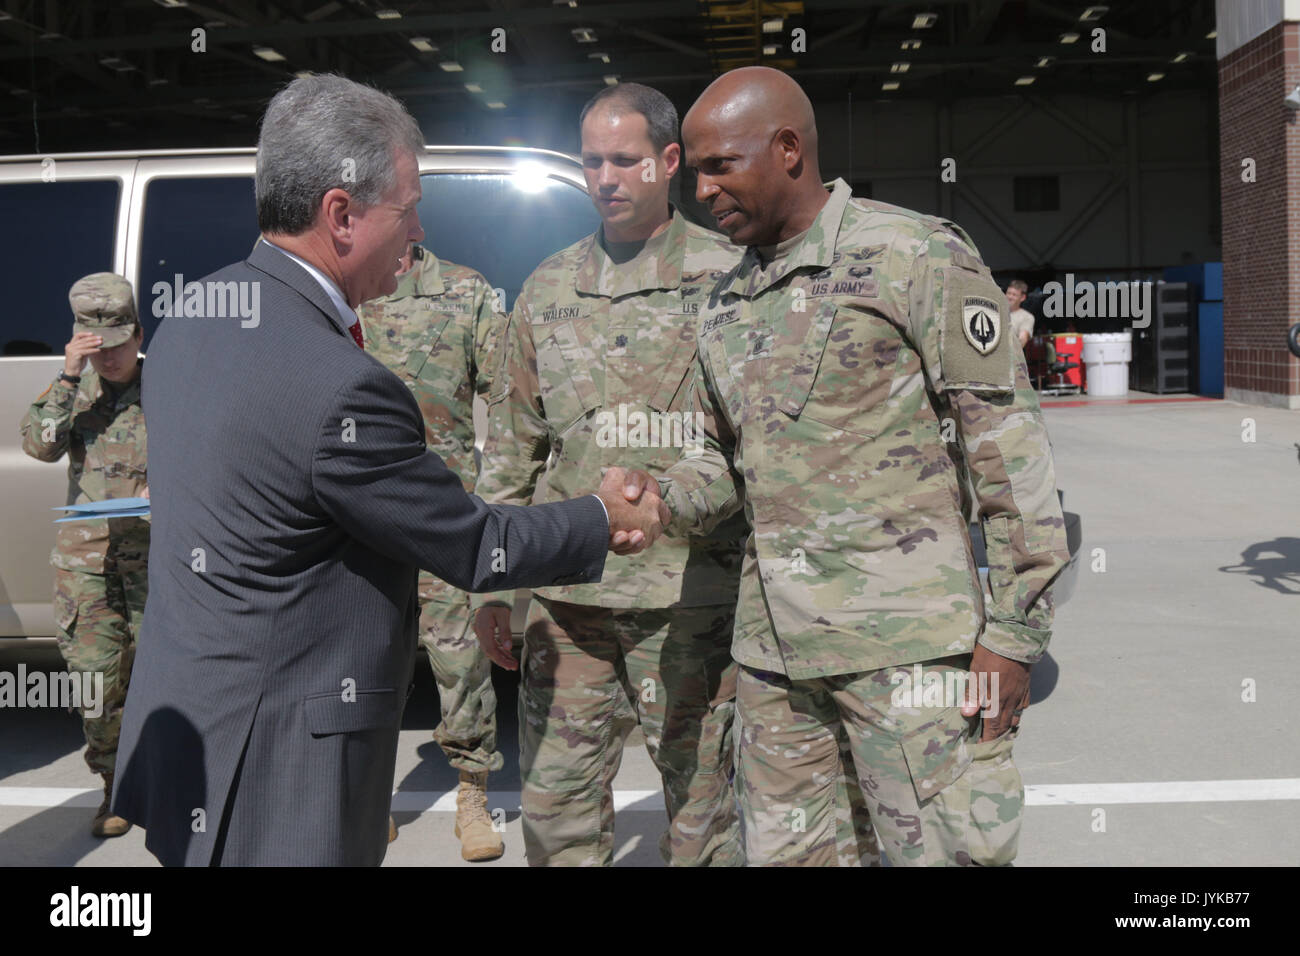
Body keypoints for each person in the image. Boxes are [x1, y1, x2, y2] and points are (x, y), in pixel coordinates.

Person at [110, 73, 668, 867]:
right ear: (341, 215)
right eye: (407, 208)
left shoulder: (192, 318)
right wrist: (601, 517)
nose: (419, 229)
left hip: (191, 739)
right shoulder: (338, 383)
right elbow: (469, 543)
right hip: (278, 773)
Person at [623, 67, 1070, 866]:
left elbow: (1006, 447)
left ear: (788, 149)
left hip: (908, 653)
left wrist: (1013, 633)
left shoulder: (912, 253)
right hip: (776, 665)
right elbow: (723, 461)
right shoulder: (726, 301)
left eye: (718, 164)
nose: (700, 190)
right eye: (693, 170)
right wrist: (657, 500)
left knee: (942, 854)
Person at [471, 82, 748, 867]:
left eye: (624, 160)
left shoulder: (728, 279)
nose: (604, 177)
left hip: (689, 602)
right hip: (568, 604)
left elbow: (746, 444)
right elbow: (516, 449)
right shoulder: (548, 287)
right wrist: (490, 586)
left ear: (668, 162)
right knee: (555, 814)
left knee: (705, 817)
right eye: (592, 160)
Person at [358, 242, 507, 860]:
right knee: (364, 666)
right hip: (361, 518)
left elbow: (508, 395)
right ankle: (366, 802)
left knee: (462, 665)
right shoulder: (346, 288)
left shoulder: (466, 291)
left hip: (445, 518)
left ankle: (473, 797)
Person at [19, 273, 148, 839]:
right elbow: (39, 445)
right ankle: (115, 787)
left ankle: (175, 785)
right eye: (97, 346)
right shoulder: (74, 391)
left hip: (155, 562)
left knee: (169, 680)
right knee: (96, 685)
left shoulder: (171, 386)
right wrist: (69, 373)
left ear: (139, 333)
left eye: (119, 342)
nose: (111, 356)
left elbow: (216, 454)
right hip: (86, 567)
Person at [1006, 279, 1034, 348]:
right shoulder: (997, 311)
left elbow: (1022, 341)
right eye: (1008, 293)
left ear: (1022, 298)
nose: (1010, 297)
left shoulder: (1027, 317)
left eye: (1014, 295)